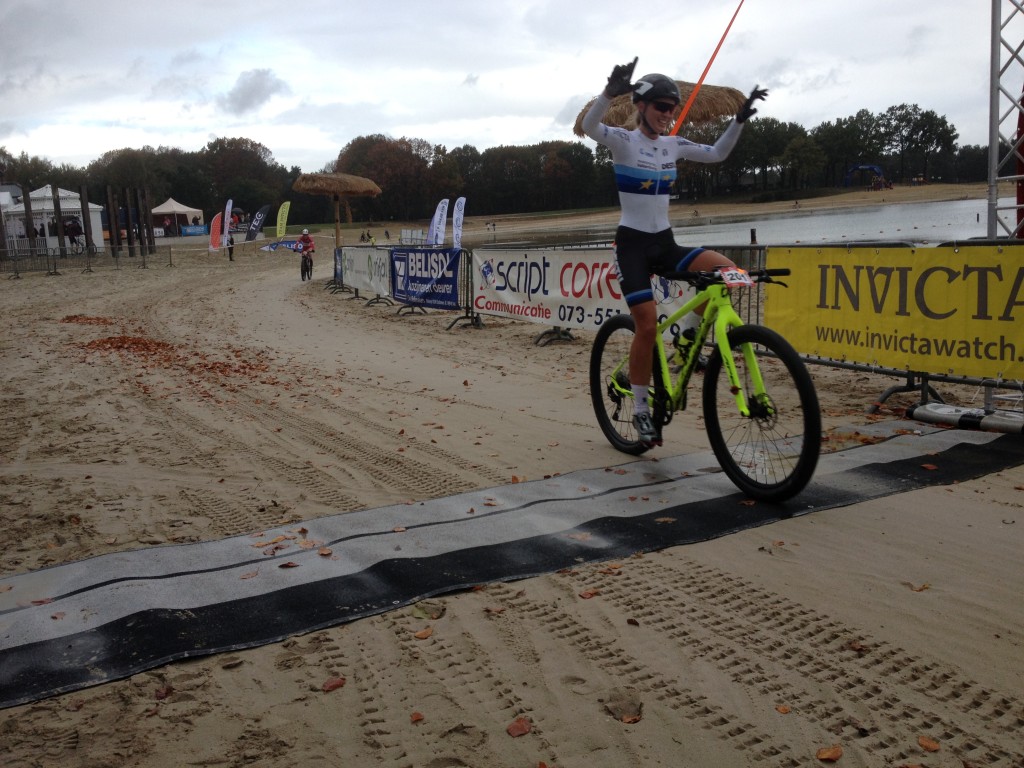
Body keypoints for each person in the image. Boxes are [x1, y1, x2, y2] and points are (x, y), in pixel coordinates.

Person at [582, 58, 767, 447]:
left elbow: (717, 154)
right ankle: (643, 411)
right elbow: (589, 127)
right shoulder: (623, 140)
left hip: (664, 242)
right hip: (632, 245)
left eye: (672, 108)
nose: (668, 114)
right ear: (642, 107)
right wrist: (608, 93)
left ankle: (685, 336)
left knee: (727, 272)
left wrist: (740, 120)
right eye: (661, 107)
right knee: (647, 326)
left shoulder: (673, 145)